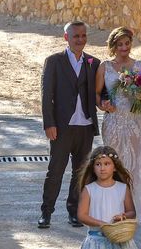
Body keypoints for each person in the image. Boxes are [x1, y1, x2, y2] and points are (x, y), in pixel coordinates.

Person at [38, 21, 100, 229]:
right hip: (62, 127)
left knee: (80, 172)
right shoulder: (54, 61)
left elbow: (101, 93)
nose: (80, 40)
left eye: (83, 35)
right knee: (55, 171)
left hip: (86, 126)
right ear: (67, 37)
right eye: (76, 36)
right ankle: (46, 212)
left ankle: (74, 212)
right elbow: (47, 96)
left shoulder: (94, 62)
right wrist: (49, 123)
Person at [96, 26, 141, 226]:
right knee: (114, 162)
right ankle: (113, 208)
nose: (124, 48)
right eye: (120, 44)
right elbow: (97, 95)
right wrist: (103, 105)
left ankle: (134, 209)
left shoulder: (140, 65)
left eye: (127, 43)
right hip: (113, 121)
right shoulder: (105, 67)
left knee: (136, 161)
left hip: (134, 121)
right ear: (113, 46)